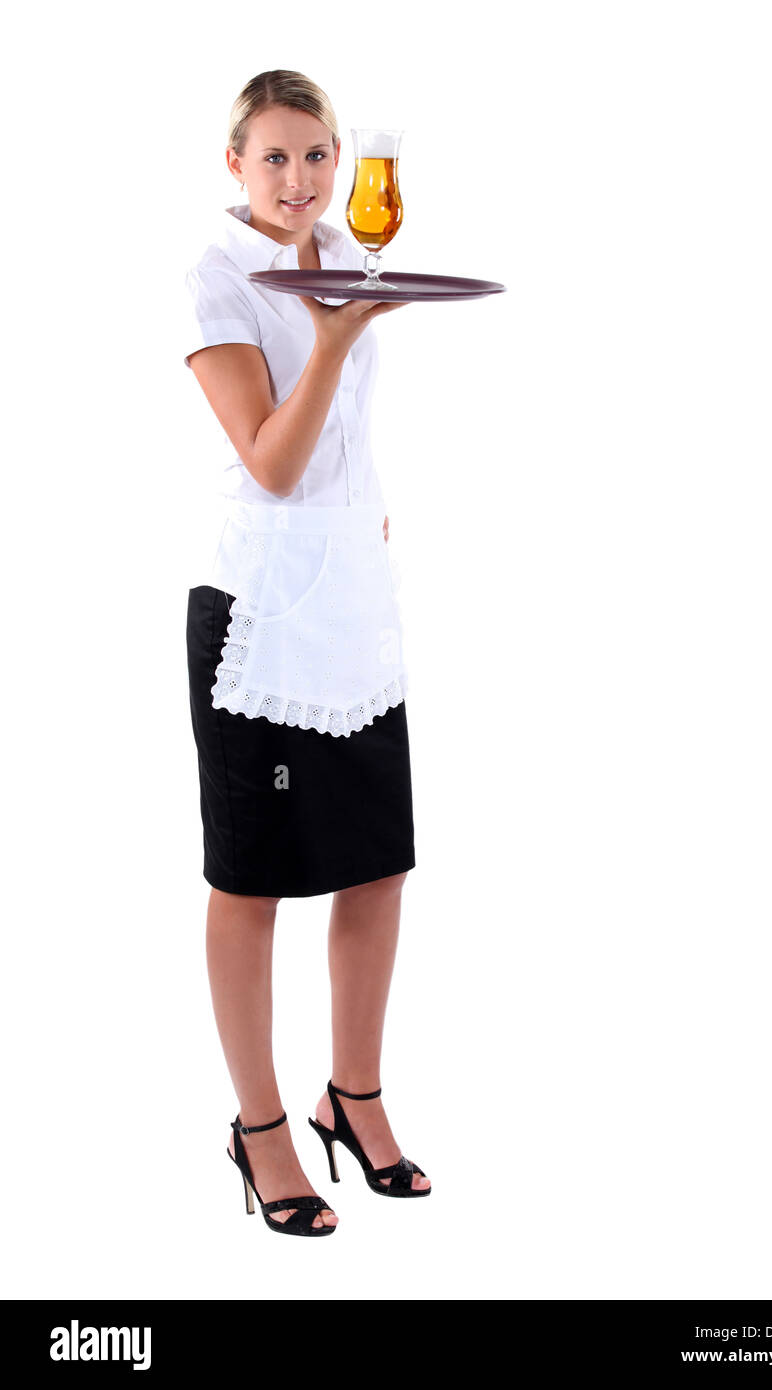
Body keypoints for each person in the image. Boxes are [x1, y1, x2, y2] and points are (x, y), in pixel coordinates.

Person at [183, 69, 431, 1238]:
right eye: (274, 158)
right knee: (253, 881)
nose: (298, 180)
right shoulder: (214, 275)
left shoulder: (344, 253)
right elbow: (271, 464)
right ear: (235, 165)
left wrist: (370, 516)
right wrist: (333, 337)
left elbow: (336, 452)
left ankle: (357, 1096)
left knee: (376, 862)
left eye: (315, 156)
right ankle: (262, 1126)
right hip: (257, 609)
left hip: (350, 597)